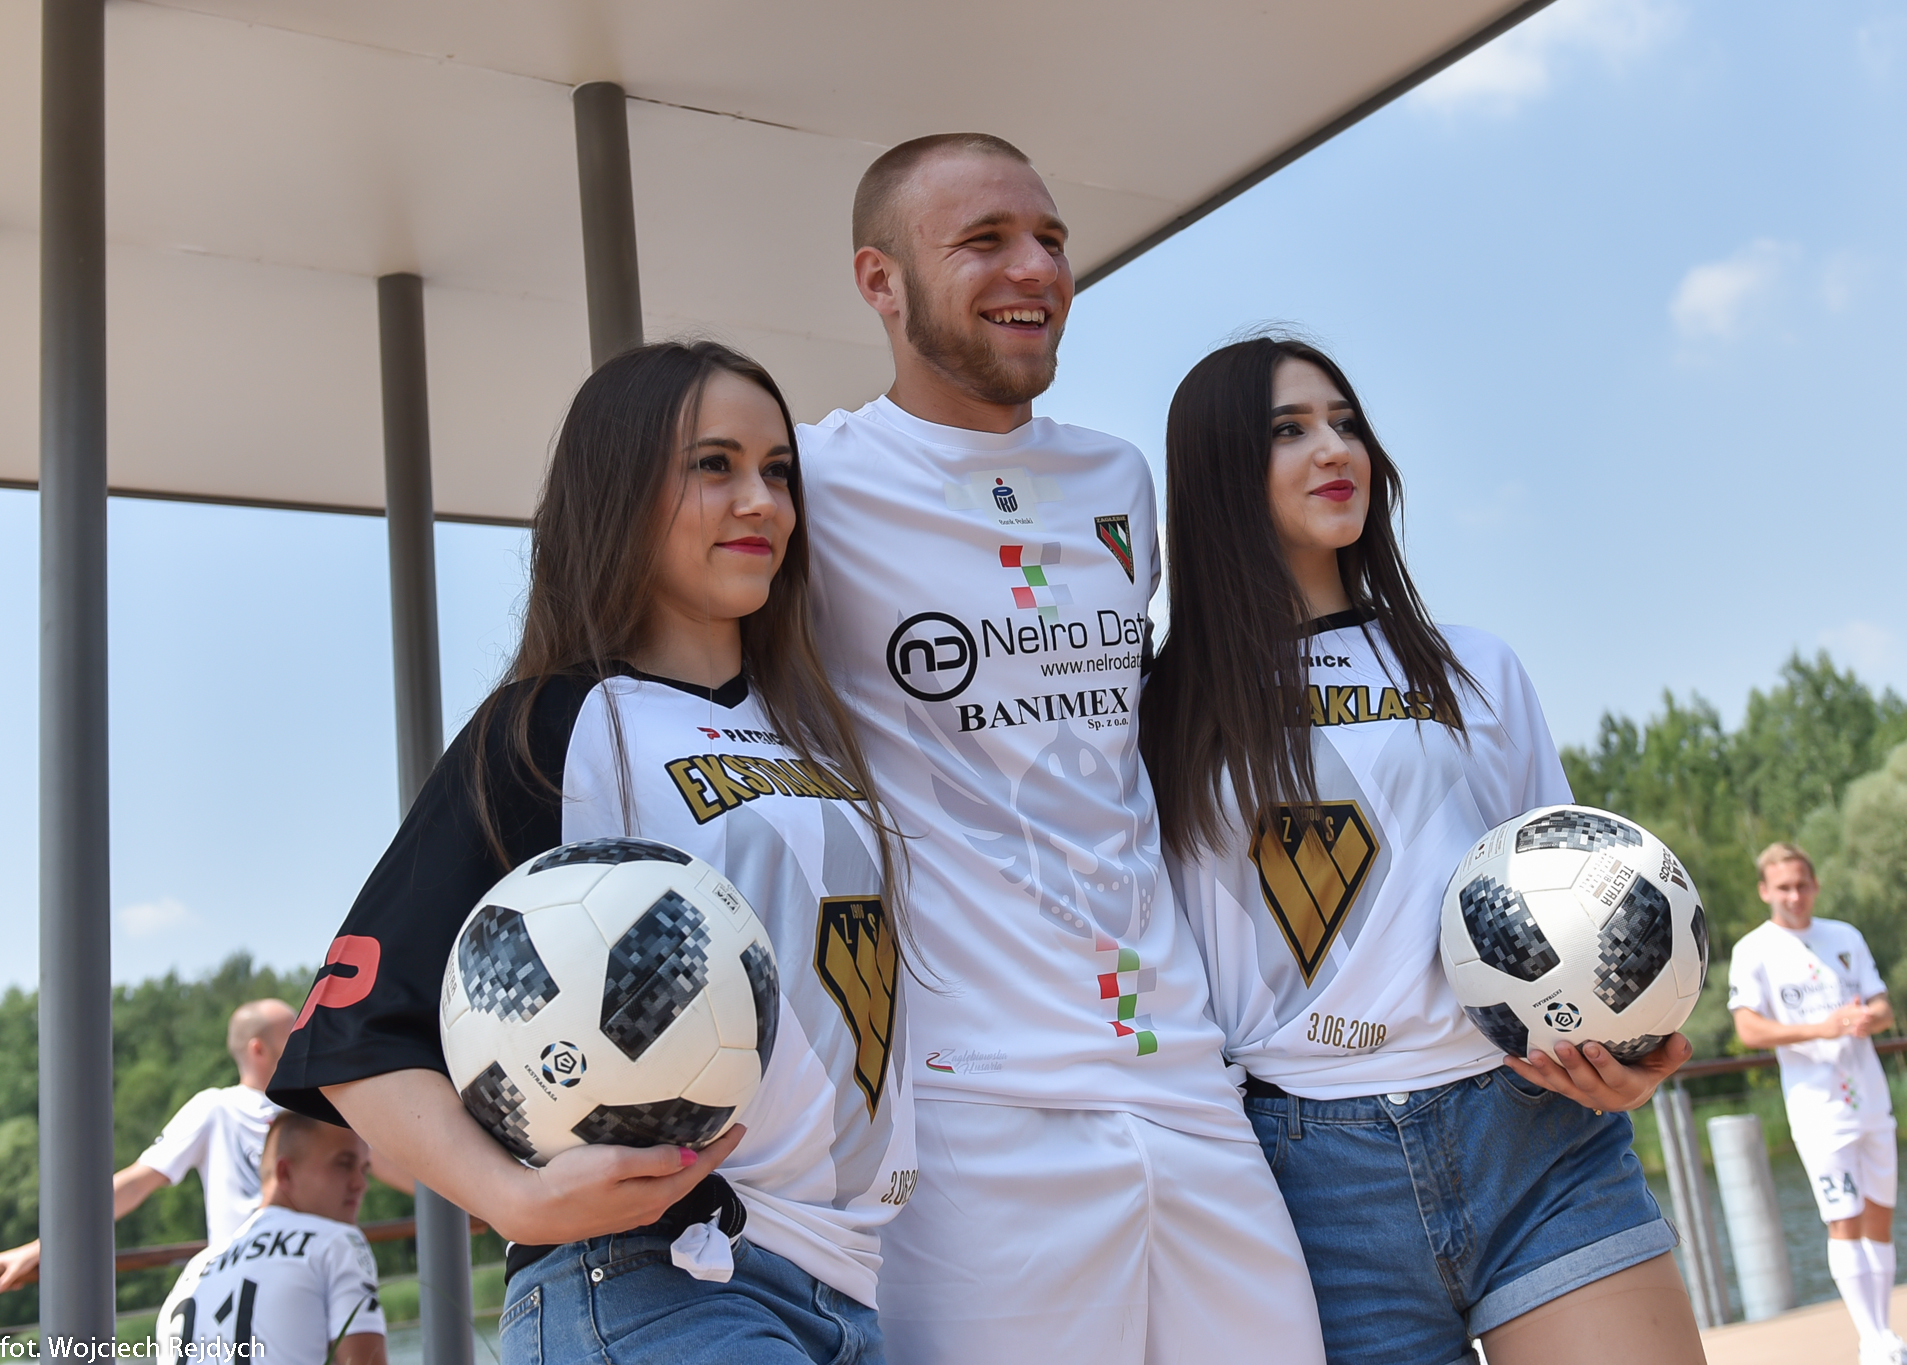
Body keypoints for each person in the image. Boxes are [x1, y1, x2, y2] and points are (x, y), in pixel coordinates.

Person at [267, 341, 914, 1364]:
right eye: (714, 465)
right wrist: (514, 1199)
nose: (761, 502)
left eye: (778, 471)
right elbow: (355, 1028)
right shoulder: (550, 726)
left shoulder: (818, 730)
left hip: (851, 1286)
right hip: (655, 1280)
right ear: (618, 489)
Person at [798, 135, 1326, 1364]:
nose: (1033, 267)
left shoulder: (1114, 477)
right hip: (973, 1110)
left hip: (1183, 1081)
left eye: (1049, 239)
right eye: (982, 241)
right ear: (879, 281)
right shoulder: (813, 481)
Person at [1145, 335, 1701, 1365]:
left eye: (1345, 423)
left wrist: (1619, 1053)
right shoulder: (1155, 710)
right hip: (1305, 1175)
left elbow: (1575, 892)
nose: (1333, 448)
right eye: (1287, 430)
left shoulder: (1474, 666)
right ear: (1218, 470)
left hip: (1532, 1129)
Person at [0, 997, 400, 1292]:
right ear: (258, 1048)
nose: (304, 1040)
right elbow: (137, 1183)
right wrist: (45, 1246)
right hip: (245, 1281)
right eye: (292, 1033)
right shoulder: (216, 1108)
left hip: (320, 1271)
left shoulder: (319, 1110)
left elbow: (392, 1163)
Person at [1729, 843, 1907, 1365]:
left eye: (1802, 885)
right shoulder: (1754, 949)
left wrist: (1868, 1019)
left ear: (1815, 885)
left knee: (1880, 1216)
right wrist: (1817, 1029)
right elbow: (1748, 1028)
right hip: (1817, 1109)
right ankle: (1871, 1342)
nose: (1794, 896)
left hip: (1870, 1098)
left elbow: (1882, 1006)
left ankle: (1885, 1336)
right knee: (1844, 1218)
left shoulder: (1845, 937)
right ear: (1765, 891)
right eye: (1783, 887)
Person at [155, 1112, 387, 1365]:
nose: (361, 1184)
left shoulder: (193, 1271)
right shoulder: (336, 1243)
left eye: (364, 1170)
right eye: (343, 1164)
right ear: (284, 1172)